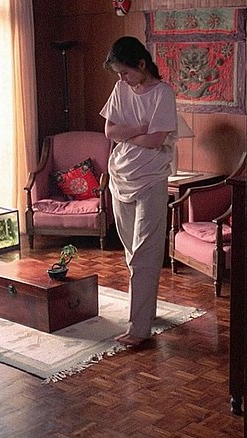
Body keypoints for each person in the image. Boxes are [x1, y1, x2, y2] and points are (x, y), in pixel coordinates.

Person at [100, 36, 177, 347]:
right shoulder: (121, 89)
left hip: (151, 180)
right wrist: (139, 130)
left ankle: (139, 329)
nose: (122, 79)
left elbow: (156, 141)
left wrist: (128, 134)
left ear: (142, 64)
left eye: (126, 72)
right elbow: (110, 131)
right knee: (132, 253)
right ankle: (147, 313)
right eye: (118, 74)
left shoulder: (163, 93)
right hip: (120, 176)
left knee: (145, 254)